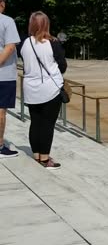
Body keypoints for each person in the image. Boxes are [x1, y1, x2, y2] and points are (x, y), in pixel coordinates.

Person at [20, 11, 67, 169]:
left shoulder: (25, 43)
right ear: (46, 24)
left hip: (31, 88)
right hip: (50, 89)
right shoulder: (53, 43)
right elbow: (63, 66)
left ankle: (36, 155)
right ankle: (45, 158)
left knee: (36, 123)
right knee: (47, 125)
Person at [0, 0, 20, 158]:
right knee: (0, 111)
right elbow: (10, 47)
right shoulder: (7, 21)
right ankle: (0, 145)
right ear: (2, 4)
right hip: (4, 74)